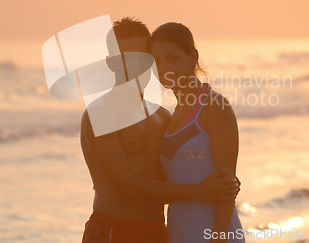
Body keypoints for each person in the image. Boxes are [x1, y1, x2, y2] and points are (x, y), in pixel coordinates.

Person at [80, 17, 240, 243]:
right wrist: (200, 191)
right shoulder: (101, 114)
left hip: (159, 231)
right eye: (127, 59)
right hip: (115, 231)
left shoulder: (163, 117)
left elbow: (181, 170)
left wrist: (226, 184)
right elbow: (125, 184)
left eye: (144, 58)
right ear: (111, 62)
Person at [150, 22, 245, 243]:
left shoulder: (214, 106)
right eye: (156, 61)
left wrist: (218, 239)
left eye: (172, 58)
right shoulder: (170, 117)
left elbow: (227, 186)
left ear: (193, 57)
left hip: (215, 233)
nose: (163, 67)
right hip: (179, 231)